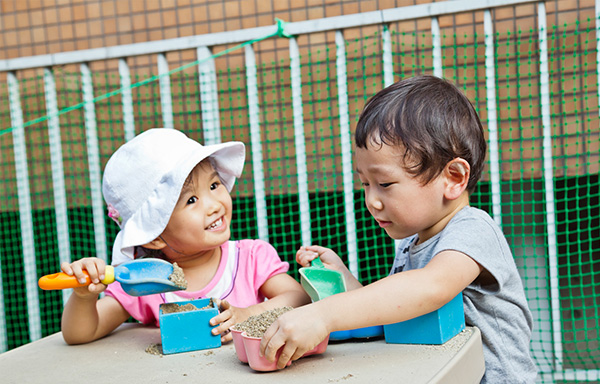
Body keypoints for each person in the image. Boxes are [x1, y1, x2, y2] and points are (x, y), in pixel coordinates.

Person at [259, 75, 537, 383]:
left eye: (385, 184)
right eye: (365, 184)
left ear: (454, 178)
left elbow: (431, 288)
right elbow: (395, 310)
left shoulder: (473, 229)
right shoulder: (411, 245)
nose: (371, 201)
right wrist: (343, 279)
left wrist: (322, 315)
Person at [60, 128, 310, 345]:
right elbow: (81, 334)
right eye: (191, 200)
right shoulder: (144, 280)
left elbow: (299, 297)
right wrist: (84, 296)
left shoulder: (250, 258)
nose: (214, 205)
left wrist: (250, 314)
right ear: (153, 236)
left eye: (214, 185)